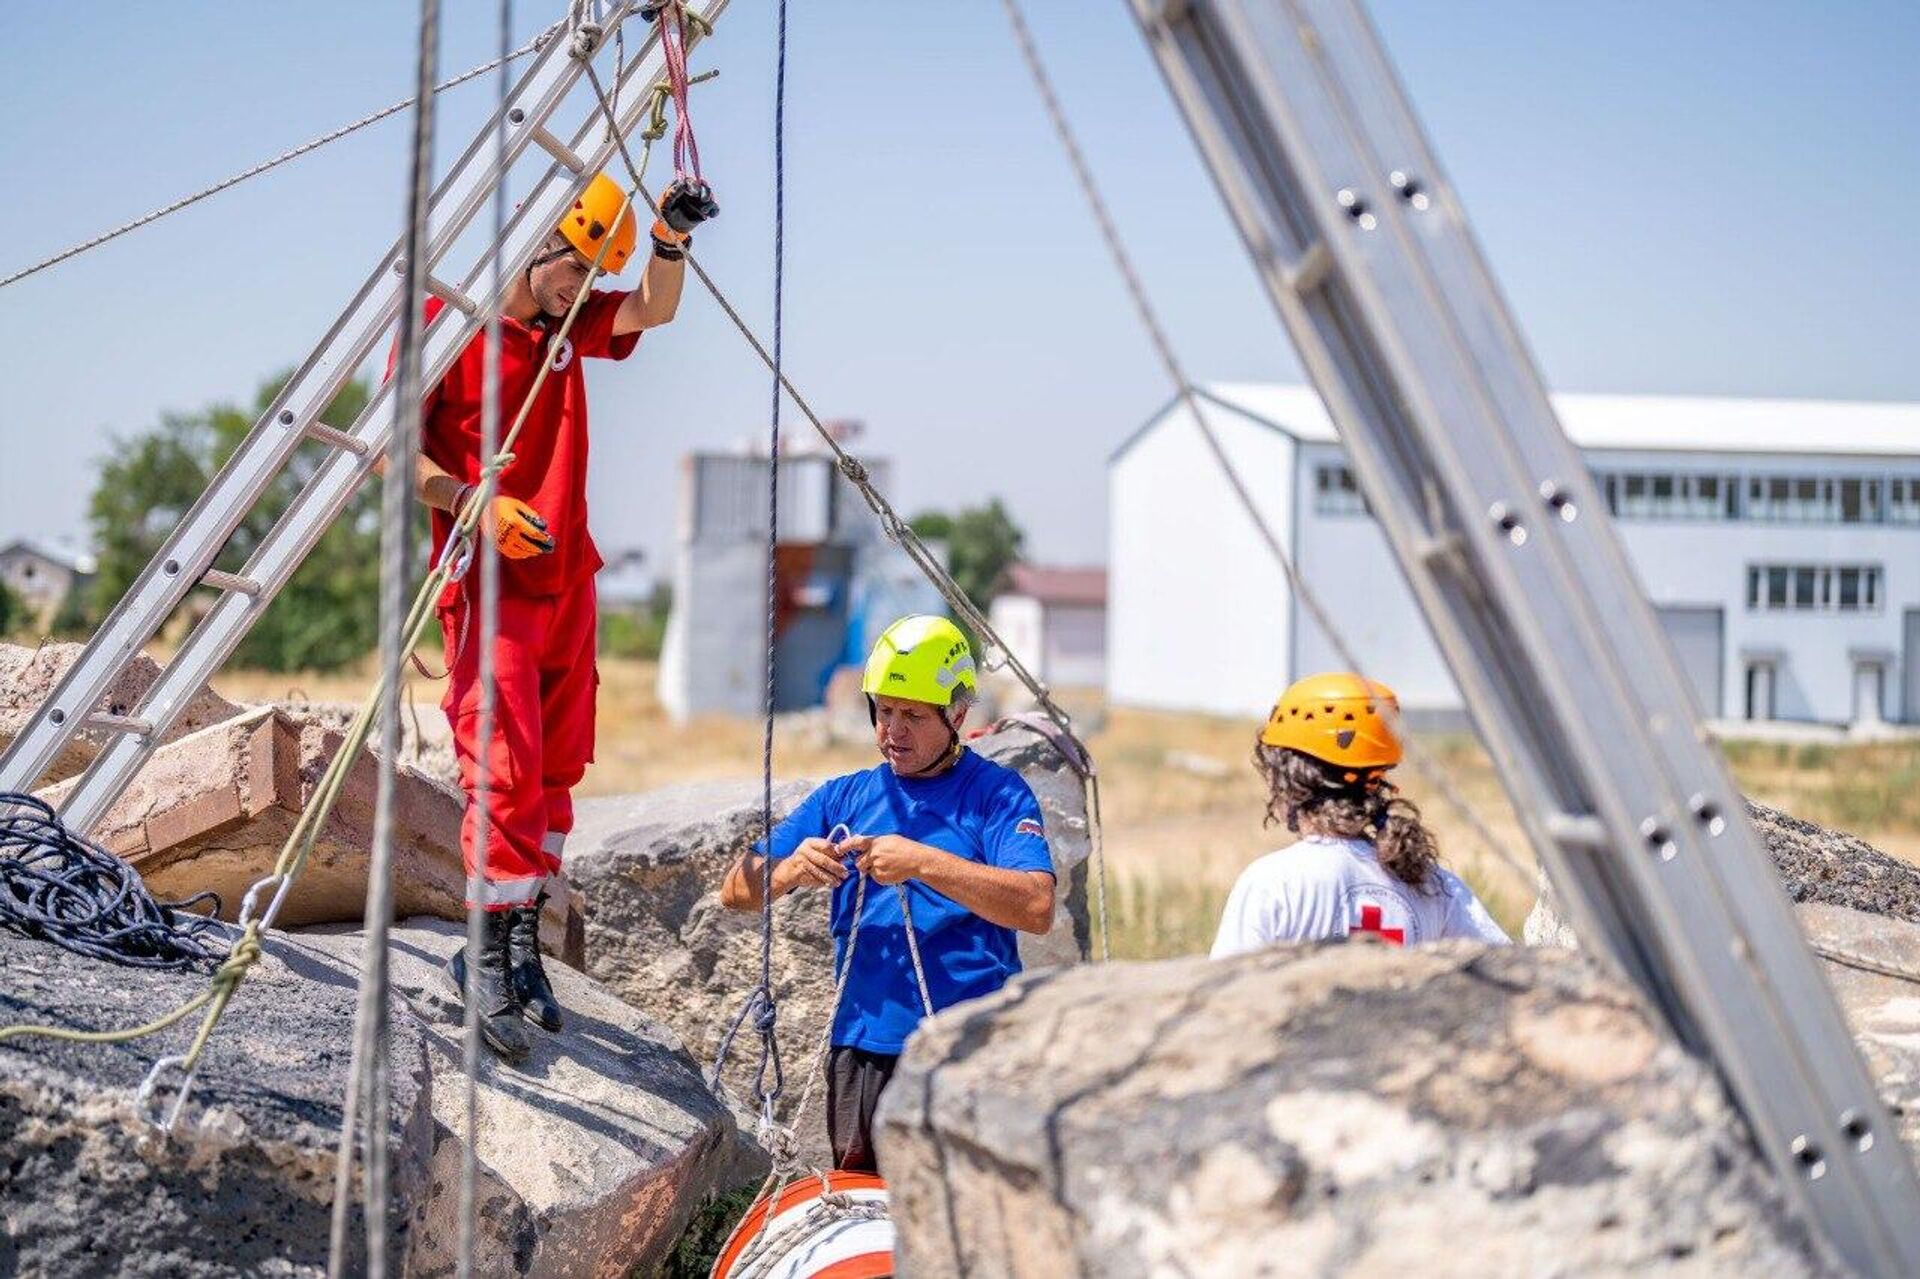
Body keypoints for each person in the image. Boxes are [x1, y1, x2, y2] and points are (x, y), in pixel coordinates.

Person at [412, 170, 718, 1061]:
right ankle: (482, 956)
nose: (580, 297)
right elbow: (397, 455)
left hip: (565, 578)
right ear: (539, 241)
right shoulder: (448, 330)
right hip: (492, 581)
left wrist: (668, 238)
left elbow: (652, 311)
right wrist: (472, 501)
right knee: (501, 763)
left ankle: (518, 947)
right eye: (572, 274)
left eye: (591, 281)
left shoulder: (564, 324)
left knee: (554, 768)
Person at [720, 615, 1057, 1173]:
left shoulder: (997, 796)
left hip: (970, 1050)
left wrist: (923, 862)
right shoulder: (843, 797)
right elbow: (736, 891)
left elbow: (1036, 906)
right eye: (884, 711)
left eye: (914, 716)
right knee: (868, 1217)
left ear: (958, 714)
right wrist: (789, 872)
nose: (893, 731)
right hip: (864, 1049)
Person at [1211, 672, 1509, 958]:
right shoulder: (1436, 885)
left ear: (1285, 780)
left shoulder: (1272, 882)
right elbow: (1510, 968)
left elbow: (1224, 995)